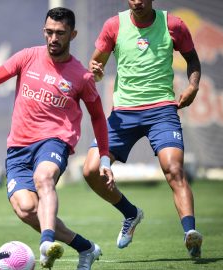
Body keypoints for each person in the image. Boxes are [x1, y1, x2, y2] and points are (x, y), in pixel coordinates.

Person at [0, 7, 113, 270]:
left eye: (61, 33)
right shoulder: (28, 56)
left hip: (54, 141)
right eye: (50, 32)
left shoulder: (82, 76)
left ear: (72, 34)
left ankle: (46, 243)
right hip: (18, 146)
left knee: (44, 178)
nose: (54, 38)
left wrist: (105, 158)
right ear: (44, 30)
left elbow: (98, 117)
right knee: (27, 209)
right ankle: (86, 248)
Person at [82, 0, 203, 259]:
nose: (136, 1)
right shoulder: (114, 25)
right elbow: (95, 67)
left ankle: (190, 234)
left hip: (162, 111)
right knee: (90, 170)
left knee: (174, 170)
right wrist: (96, 70)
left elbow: (193, 60)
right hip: (123, 114)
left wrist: (193, 86)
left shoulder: (173, 24)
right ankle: (130, 213)